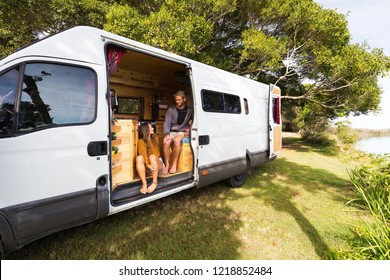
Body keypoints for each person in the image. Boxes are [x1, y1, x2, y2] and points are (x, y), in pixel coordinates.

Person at [162, 90, 192, 174]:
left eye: (179, 100)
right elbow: (167, 123)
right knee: (166, 142)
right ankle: (167, 164)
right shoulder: (171, 110)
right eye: (176, 100)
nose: (177, 102)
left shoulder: (190, 110)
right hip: (171, 131)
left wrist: (189, 130)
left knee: (176, 141)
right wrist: (167, 134)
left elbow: (193, 121)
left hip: (181, 131)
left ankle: (174, 164)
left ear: (184, 99)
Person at [136, 122, 164, 194]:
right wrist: (148, 166)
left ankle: (155, 182)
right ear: (146, 130)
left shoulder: (155, 138)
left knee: (152, 156)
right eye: (151, 127)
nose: (153, 128)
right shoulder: (141, 141)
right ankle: (144, 183)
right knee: (139, 158)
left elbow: (156, 155)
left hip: (158, 164)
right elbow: (144, 156)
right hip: (149, 166)